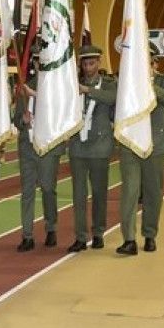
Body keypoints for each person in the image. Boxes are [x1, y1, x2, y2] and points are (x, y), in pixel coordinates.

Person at [117, 46, 164, 255]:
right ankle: (129, 239)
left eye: (147, 62)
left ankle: (150, 234)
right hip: (130, 142)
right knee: (130, 192)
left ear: (154, 63)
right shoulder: (124, 81)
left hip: (155, 142)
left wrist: (149, 82)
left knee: (152, 192)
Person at [67, 45, 117, 252]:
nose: (88, 68)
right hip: (78, 147)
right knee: (78, 195)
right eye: (85, 64)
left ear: (99, 63)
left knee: (98, 193)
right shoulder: (72, 84)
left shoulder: (108, 84)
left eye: (92, 63)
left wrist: (88, 90)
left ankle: (98, 233)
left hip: (99, 148)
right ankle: (80, 236)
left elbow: (113, 98)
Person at [13, 54, 64, 252]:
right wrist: (23, 121)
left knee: (48, 189)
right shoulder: (24, 89)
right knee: (27, 192)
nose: (40, 64)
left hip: (49, 147)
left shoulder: (57, 87)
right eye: (37, 61)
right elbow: (16, 119)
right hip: (27, 147)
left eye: (44, 60)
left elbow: (60, 112)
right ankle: (27, 235)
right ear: (34, 63)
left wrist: (35, 94)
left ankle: (51, 227)